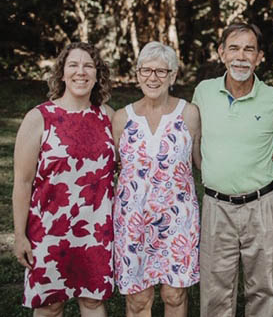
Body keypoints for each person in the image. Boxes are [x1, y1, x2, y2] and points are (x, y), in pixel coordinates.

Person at [12, 42, 116, 316]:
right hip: (48, 230)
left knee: (93, 302)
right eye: (73, 65)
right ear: (61, 73)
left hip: (96, 230)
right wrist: (20, 235)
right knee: (50, 305)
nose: (80, 72)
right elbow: (22, 183)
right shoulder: (39, 118)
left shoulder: (109, 117)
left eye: (88, 66)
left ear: (97, 75)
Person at [193, 23, 273, 317]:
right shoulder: (204, 92)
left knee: (264, 286)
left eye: (249, 49)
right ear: (222, 53)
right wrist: (211, 171)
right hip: (216, 205)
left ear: (260, 57)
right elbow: (193, 142)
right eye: (234, 48)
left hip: (261, 204)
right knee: (214, 289)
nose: (241, 56)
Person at [112, 42, 201, 317]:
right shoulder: (120, 118)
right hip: (133, 221)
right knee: (138, 299)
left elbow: (202, 163)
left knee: (174, 295)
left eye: (162, 71)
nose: (153, 77)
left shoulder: (189, 113)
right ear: (138, 74)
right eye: (146, 70)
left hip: (178, 221)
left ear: (173, 75)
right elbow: (114, 168)